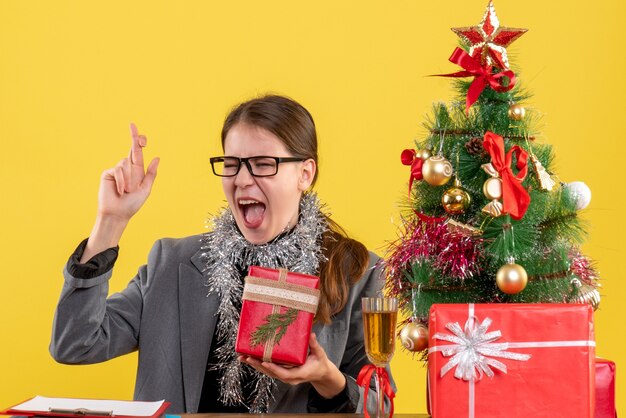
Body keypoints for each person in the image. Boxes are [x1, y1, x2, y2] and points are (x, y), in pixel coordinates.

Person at [50, 95, 393, 414]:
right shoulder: (173, 263)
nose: (242, 179)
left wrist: (326, 378)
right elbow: (75, 344)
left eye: (262, 164)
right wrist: (110, 222)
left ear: (305, 174)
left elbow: (380, 406)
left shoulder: (357, 272)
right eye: (231, 164)